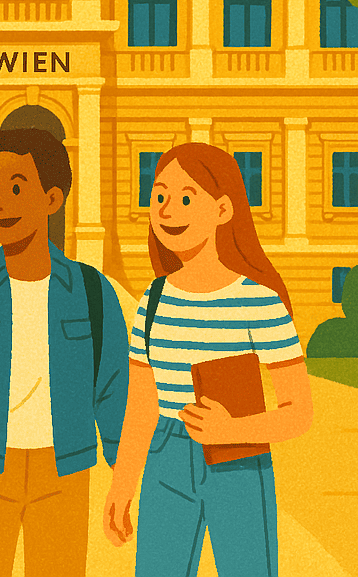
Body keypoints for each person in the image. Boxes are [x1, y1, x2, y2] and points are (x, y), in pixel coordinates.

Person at [0, 128, 129, 577]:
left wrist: (126, 474)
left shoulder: (92, 291)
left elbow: (113, 388)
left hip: (65, 470)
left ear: (52, 199)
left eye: (16, 188)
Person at [103, 142, 313, 576]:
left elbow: (299, 412)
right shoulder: (153, 300)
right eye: (159, 196)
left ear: (222, 209)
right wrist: (122, 485)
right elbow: (142, 404)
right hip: (165, 457)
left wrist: (231, 430)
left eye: (185, 198)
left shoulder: (259, 302)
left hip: (238, 460)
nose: (167, 210)